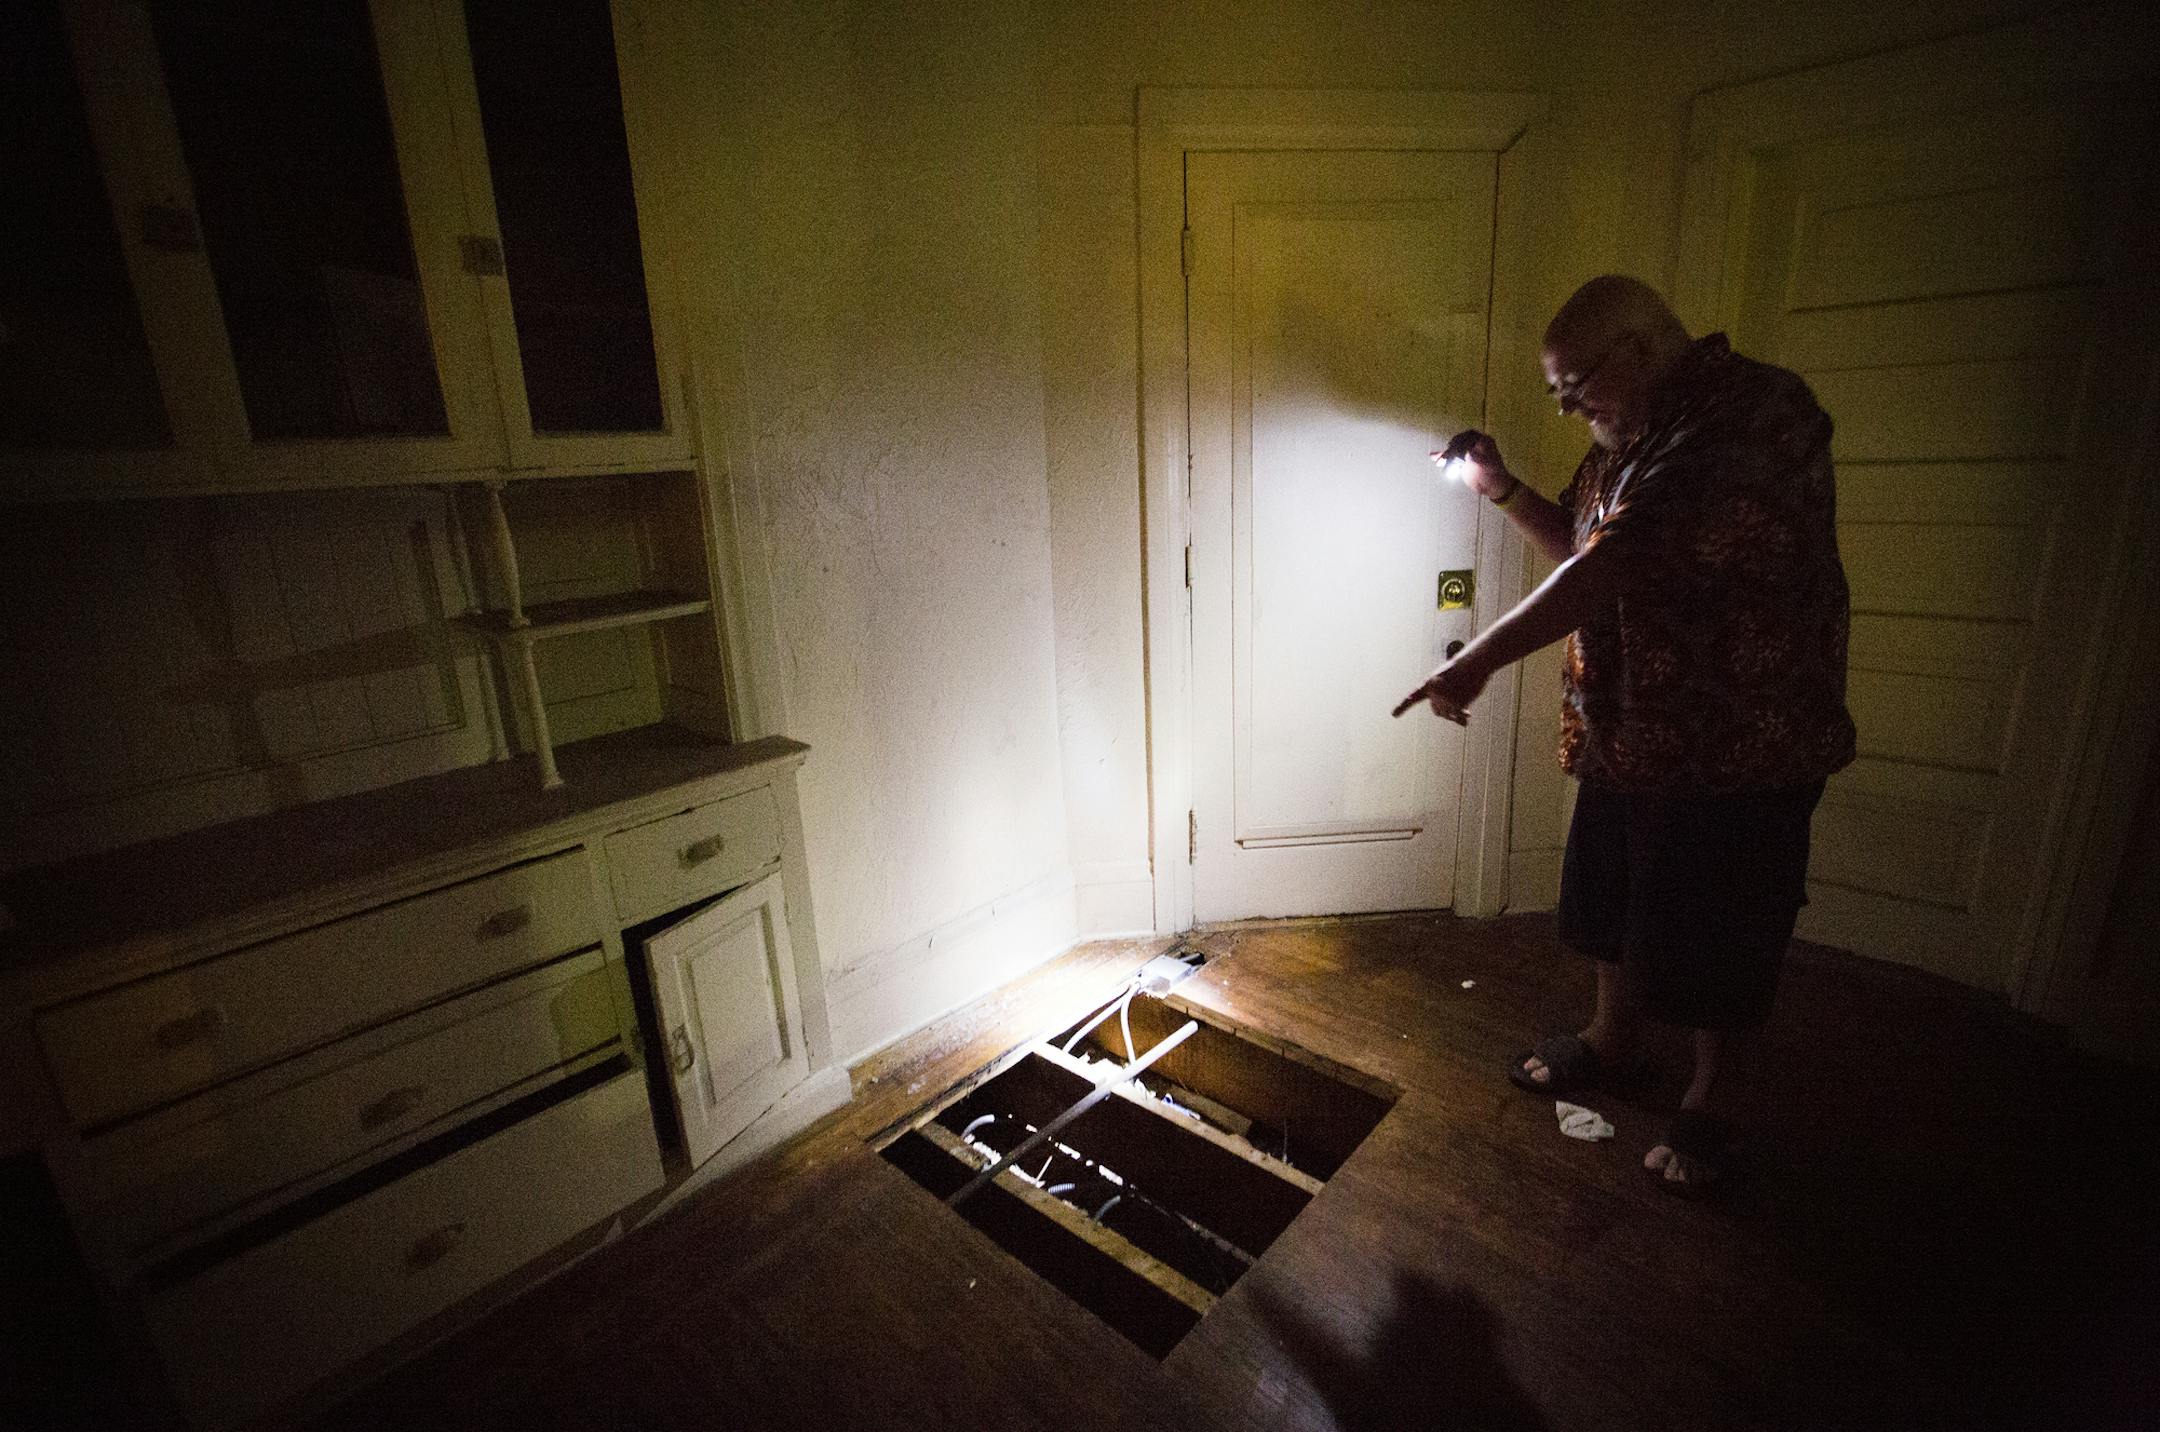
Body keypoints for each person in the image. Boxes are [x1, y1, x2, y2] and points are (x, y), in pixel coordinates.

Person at [1393, 274, 1855, 1195]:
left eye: (1576, 387)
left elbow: (1620, 559)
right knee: (1610, 897)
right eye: (1558, 396)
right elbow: (1578, 540)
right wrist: (1501, 487)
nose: (1570, 409)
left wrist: (1474, 659)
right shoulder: (1623, 442)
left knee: (1727, 925)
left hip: (1741, 739)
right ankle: (1613, 1040)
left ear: (1638, 349)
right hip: (1629, 729)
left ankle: (1714, 1095)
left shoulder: (1754, 415)